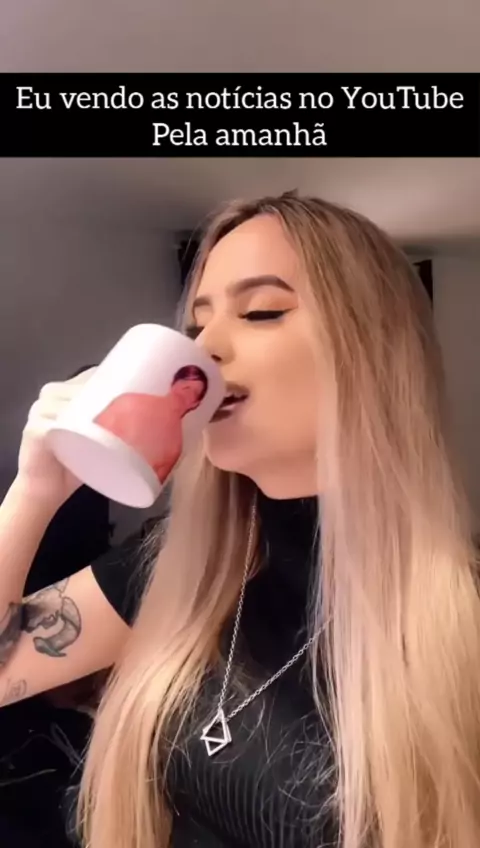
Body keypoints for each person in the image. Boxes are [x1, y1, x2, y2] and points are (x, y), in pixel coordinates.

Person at [0, 192, 480, 848]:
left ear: (371, 349)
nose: (205, 348)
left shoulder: (461, 620)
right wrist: (34, 493)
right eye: (197, 324)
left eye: (261, 312)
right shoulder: (172, 568)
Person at [94, 365, 208, 483]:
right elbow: (91, 437)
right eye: (185, 385)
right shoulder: (129, 402)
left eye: (195, 392)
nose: (187, 392)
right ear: (173, 384)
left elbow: (147, 486)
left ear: (195, 404)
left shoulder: (174, 448)